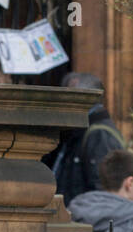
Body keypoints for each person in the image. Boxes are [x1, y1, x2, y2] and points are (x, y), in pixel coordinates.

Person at [47, 73, 124, 205]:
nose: (63, 102)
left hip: (83, 219)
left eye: (68, 96)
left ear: (86, 97)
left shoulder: (99, 133)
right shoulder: (78, 130)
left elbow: (102, 191)